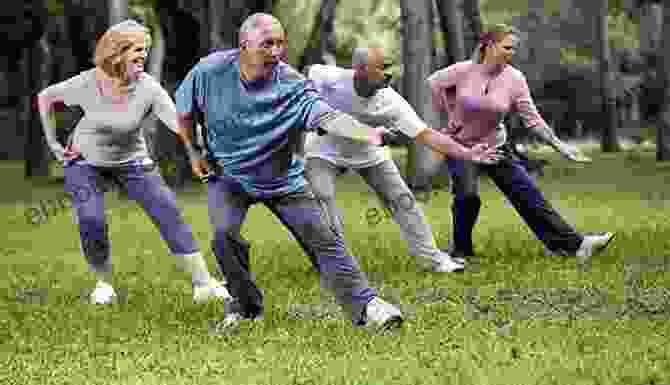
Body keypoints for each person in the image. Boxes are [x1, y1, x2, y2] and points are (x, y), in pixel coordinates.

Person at [175, 13, 408, 330]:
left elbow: (328, 117)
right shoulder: (209, 72)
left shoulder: (293, 85)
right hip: (228, 175)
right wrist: (193, 153)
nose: (276, 51)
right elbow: (185, 113)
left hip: (282, 180)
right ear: (243, 45)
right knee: (223, 237)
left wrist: (371, 134)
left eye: (280, 43)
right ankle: (245, 308)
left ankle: (368, 307)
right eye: (266, 44)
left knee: (324, 239)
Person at [37, 20, 231, 304]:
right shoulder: (87, 82)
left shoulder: (148, 88)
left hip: (132, 161)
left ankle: (203, 284)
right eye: (137, 50)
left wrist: (207, 142)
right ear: (117, 53)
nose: (143, 56)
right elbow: (45, 97)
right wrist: (53, 143)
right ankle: (103, 284)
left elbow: (179, 122)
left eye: (146, 50)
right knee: (91, 219)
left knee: (167, 210)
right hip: (85, 160)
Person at [426, 24, 615, 264]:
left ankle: (576, 245)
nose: (511, 53)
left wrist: (561, 146)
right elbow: (433, 83)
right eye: (507, 47)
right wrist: (448, 110)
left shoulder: (515, 79)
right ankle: (461, 250)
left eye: (514, 49)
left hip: (495, 146)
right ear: (489, 45)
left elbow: (532, 120)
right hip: (461, 147)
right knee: (467, 195)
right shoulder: (463, 71)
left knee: (527, 193)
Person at [302, 46, 500, 273]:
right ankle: (335, 263)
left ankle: (433, 260)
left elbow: (426, 135)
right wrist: (313, 108)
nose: (389, 73)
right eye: (382, 68)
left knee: (403, 200)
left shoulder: (391, 101)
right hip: (324, 149)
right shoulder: (332, 78)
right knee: (321, 194)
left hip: (369, 152)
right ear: (360, 69)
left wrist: (467, 153)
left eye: (390, 67)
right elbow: (307, 72)